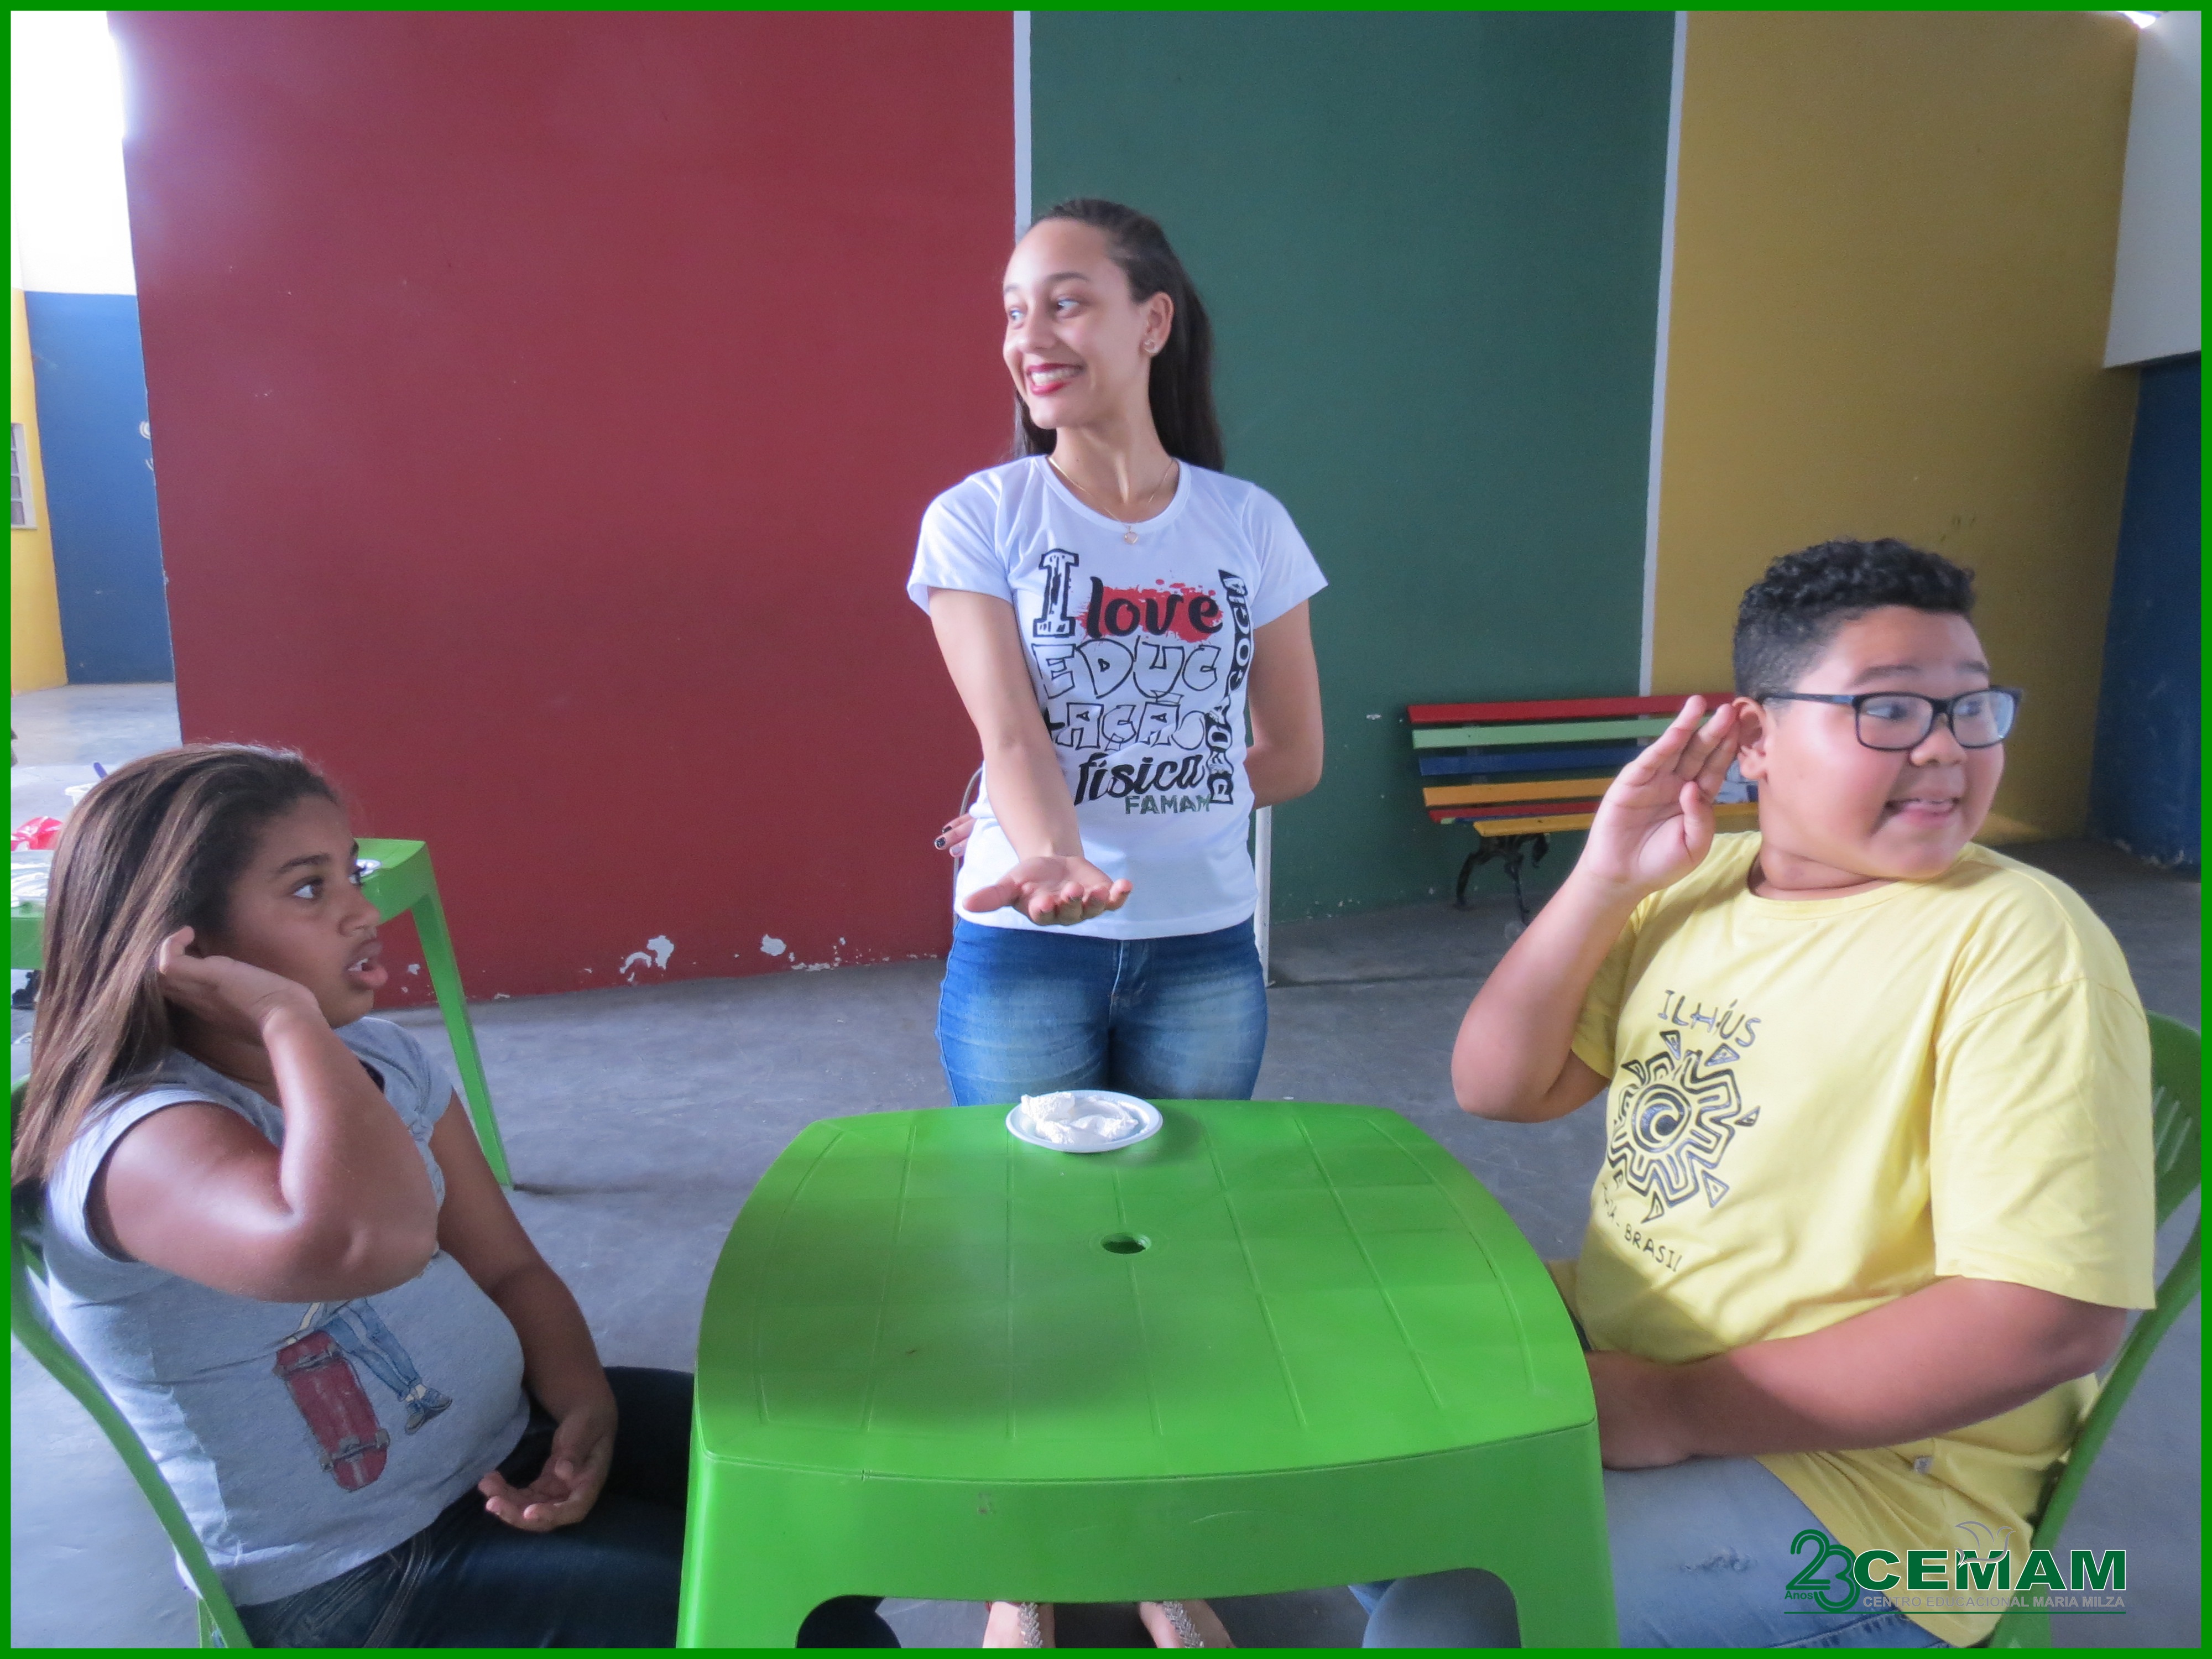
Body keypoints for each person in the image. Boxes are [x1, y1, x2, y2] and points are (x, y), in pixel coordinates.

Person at [1368, 541, 2155, 1648]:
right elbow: (1499, 1085)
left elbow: (2046, 1322)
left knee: (1451, 1624)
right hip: (1639, 1359)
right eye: (1888, 709)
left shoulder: (2013, 943)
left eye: (1972, 708)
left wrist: (1673, 1410)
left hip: (1876, 1492)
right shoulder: (1690, 883)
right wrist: (1603, 877)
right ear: (1755, 739)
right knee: (1345, 1473)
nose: (1944, 746)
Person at [13, 745, 895, 1649]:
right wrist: (286, 1017)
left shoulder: (380, 1061)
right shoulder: (137, 1141)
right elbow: (368, 1242)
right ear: (185, 947)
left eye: (352, 873)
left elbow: (507, 1267)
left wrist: (582, 1401)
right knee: (806, 1630)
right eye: (310, 889)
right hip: (362, 1571)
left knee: (846, 1517)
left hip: (507, 1443)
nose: (364, 911)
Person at [906, 199, 1327, 1646]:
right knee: (1027, 1249)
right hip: (1026, 946)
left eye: (1066, 300)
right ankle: (1025, 1568)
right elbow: (1009, 733)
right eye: (1014, 309)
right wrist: (1053, 854)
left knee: (1168, 1249)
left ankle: (1155, 1552)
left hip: (1204, 950)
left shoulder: (1247, 526)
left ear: (1153, 321)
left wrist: (1163, 797)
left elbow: (1292, 754)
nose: (1030, 335)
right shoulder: (982, 518)